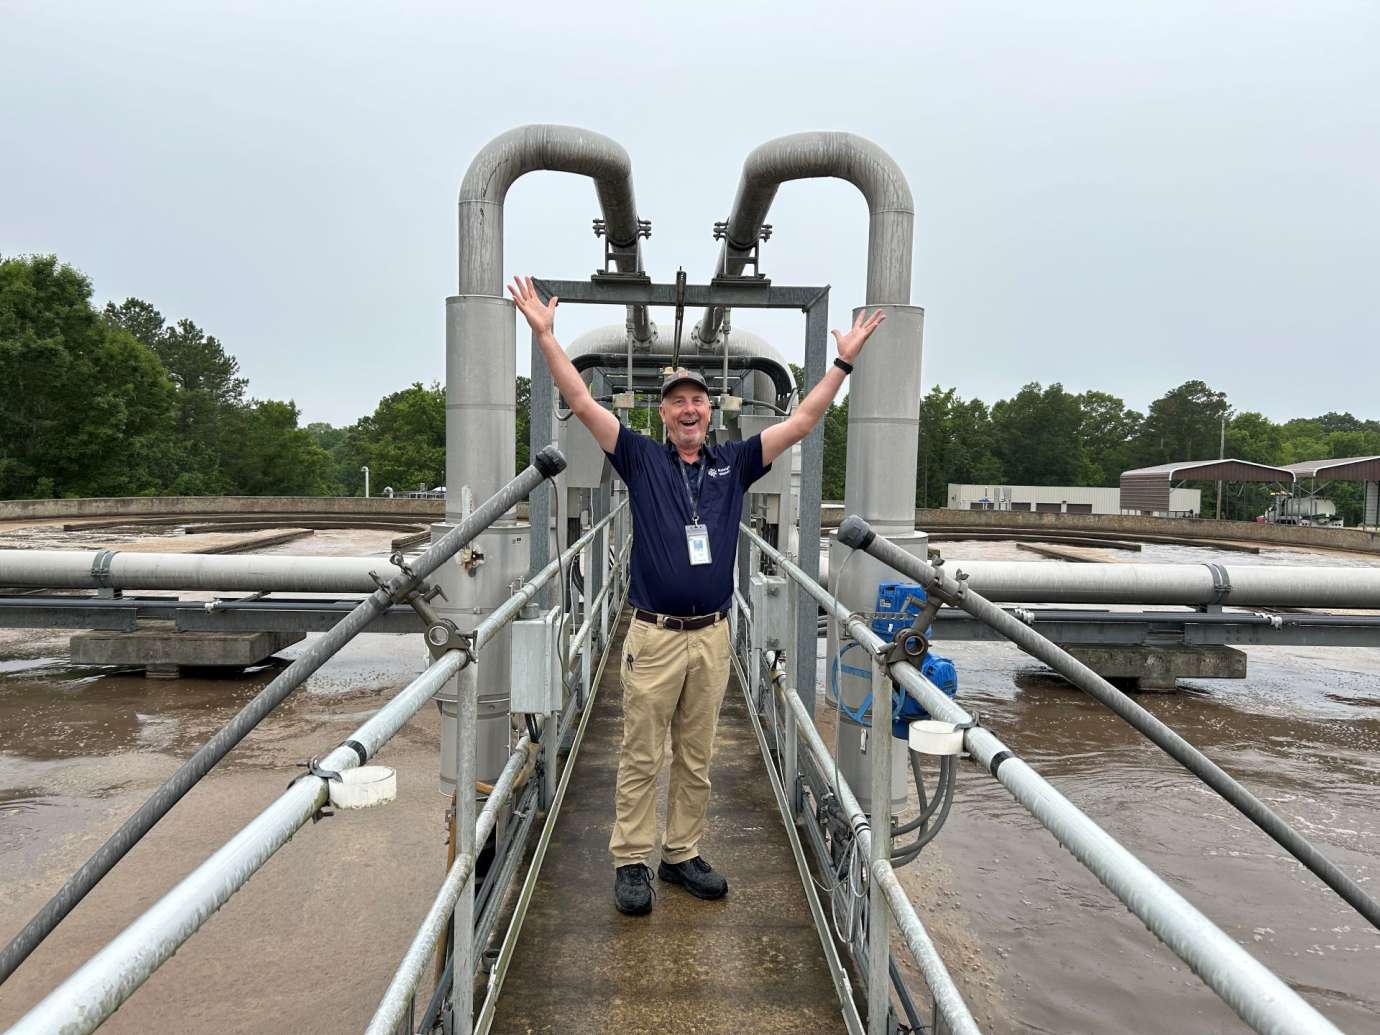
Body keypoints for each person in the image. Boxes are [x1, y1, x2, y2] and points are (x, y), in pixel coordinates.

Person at [508, 275, 885, 916]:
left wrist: (843, 361)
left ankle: (680, 854)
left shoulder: (733, 463)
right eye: (677, 402)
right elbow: (577, 393)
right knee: (640, 752)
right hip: (653, 636)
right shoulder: (638, 458)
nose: (689, 410)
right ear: (662, 412)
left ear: (711, 413)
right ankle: (632, 860)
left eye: (698, 403)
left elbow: (804, 421)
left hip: (711, 635)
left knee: (697, 753)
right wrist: (545, 336)